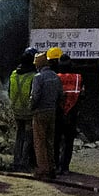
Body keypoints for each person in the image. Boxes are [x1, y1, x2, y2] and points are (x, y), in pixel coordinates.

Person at [30, 48, 63, 180]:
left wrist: (31, 107)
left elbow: (35, 96)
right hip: (52, 112)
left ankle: (43, 170)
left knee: (39, 142)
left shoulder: (38, 78)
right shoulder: (55, 76)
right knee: (50, 141)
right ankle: (52, 167)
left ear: (39, 64)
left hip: (40, 112)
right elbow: (61, 95)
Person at [9, 47, 38, 172]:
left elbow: (9, 91)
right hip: (28, 112)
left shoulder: (14, 74)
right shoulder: (34, 76)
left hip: (16, 110)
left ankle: (16, 161)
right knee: (27, 137)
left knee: (19, 136)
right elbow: (34, 95)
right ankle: (24, 163)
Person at [54, 53, 83, 174]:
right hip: (72, 113)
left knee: (56, 141)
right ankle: (65, 167)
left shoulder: (56, 77)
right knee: (68, 141)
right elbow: (82, 95)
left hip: (58, 113)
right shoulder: (78, 78)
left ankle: (56, 165)